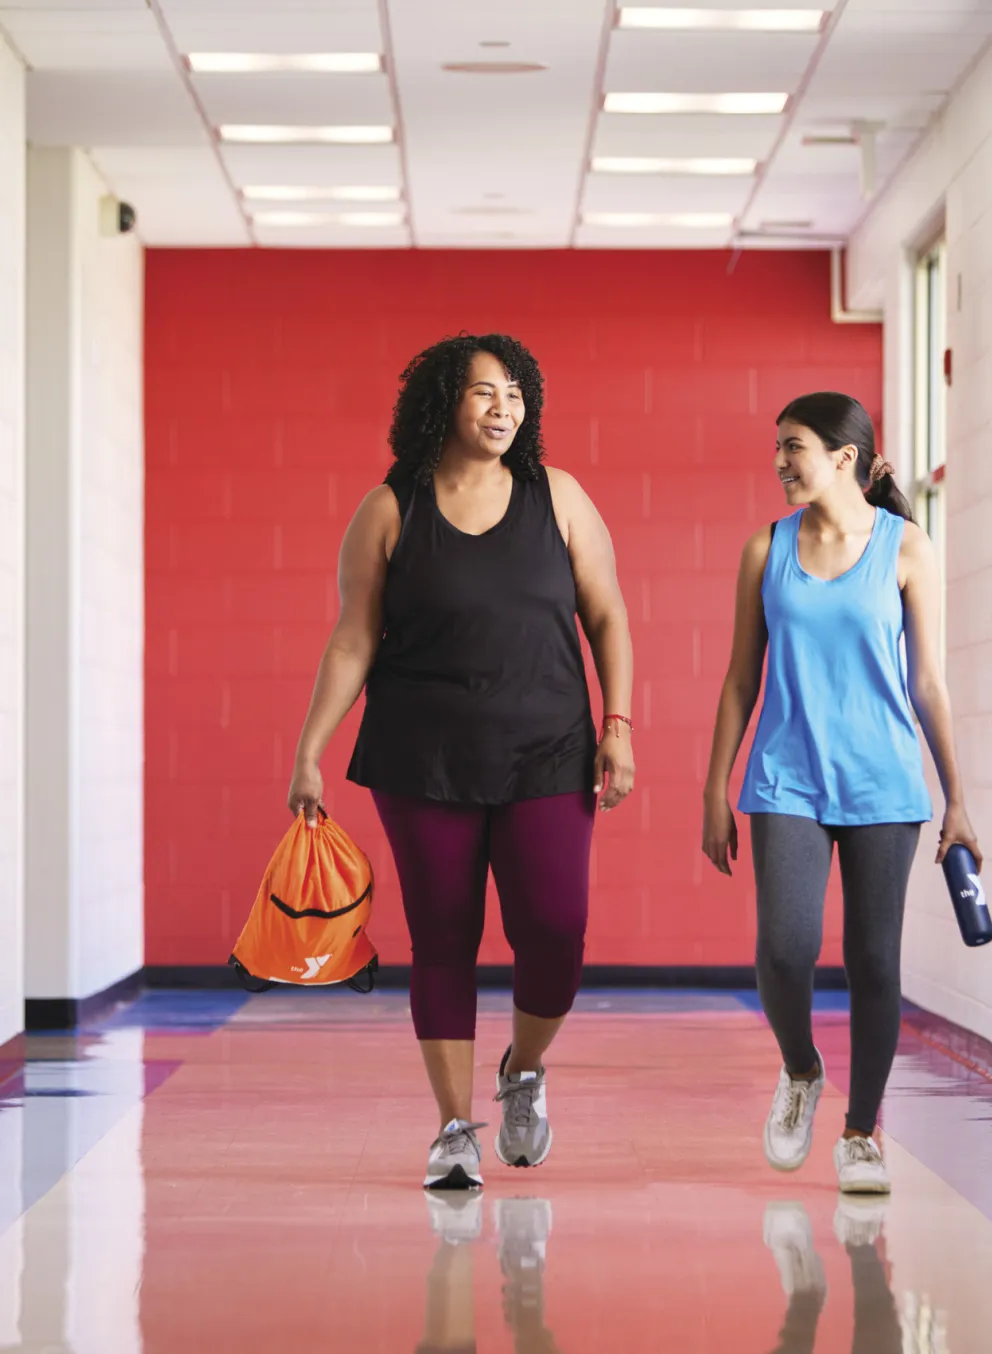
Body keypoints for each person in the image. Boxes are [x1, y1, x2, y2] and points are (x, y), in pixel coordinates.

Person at [287, 333, 634, 1190]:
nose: (504, 408)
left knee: (555, 929)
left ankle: (524, 1069)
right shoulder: (389, 508)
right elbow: (353, 637)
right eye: (485, 392)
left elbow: (609, 615)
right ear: (443, 402)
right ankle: (453, 1128)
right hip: (423, 757)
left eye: (516, 393)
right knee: (444, 937)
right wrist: (309, 750)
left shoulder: (559, 497)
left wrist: (618, 724)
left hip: (550, 752)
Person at [702, 391, 982, 1194]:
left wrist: (956, 798)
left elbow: (929, 681)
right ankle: (800, 1070)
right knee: (784, 951)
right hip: (785, 773)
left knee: (872, 961)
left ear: (844, 458)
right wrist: (713, 790)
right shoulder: (767, 549)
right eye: (778, 449)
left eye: (794, 447)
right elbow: (738, 681)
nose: (782, 463)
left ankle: (861, 1134)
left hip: (883, 783)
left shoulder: (907, 547)